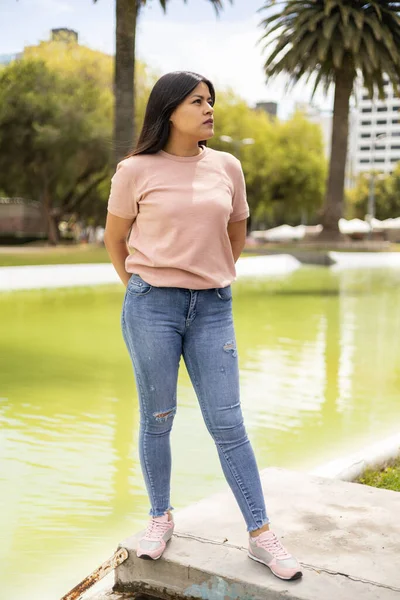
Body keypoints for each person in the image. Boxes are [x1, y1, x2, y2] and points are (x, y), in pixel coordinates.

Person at [104, 71, 302, 582]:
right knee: (158, 417)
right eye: (198, 101)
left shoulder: (227, 167)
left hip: (214, 306)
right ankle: (159, 517)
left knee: (228, 423)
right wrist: (143, 287)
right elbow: (115, 239)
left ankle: (261, 535)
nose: (210, 109)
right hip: (152, 306)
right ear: (170, 110)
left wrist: (209, 276)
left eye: (211, 101)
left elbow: (237, 232)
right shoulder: (134, 170)